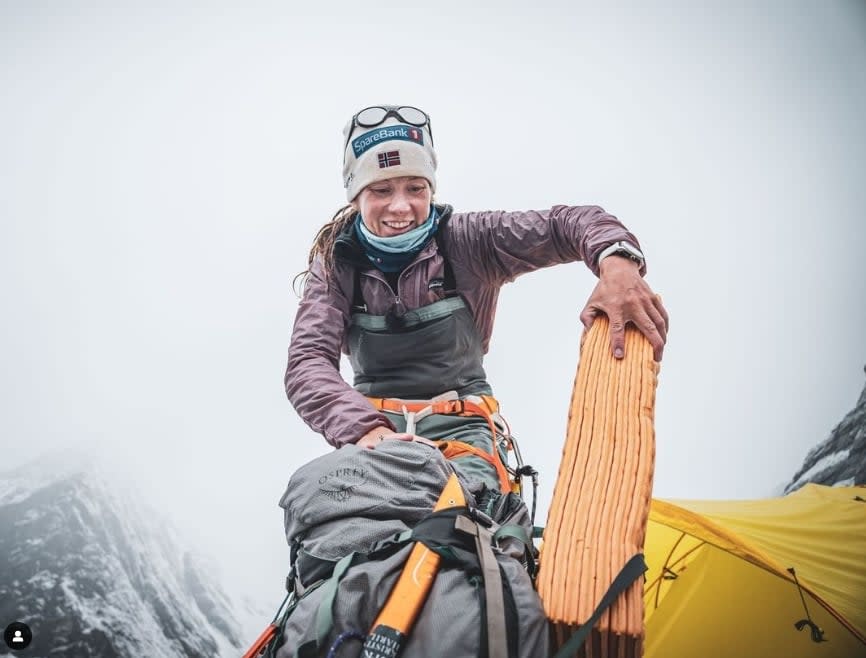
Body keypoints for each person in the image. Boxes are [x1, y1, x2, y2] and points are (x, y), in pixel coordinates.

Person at [285, 105, 668, 492]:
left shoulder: (470, 241)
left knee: (467, 515)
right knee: (314, 499)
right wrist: (365, 429)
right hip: (373, 436)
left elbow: (568, 224)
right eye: (381, 190)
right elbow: (307, 362)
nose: (400, 206)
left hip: (466, 430)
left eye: (415, 188)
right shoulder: (337, 264)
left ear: (431, 189)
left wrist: (618, 263)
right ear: (356, 197)